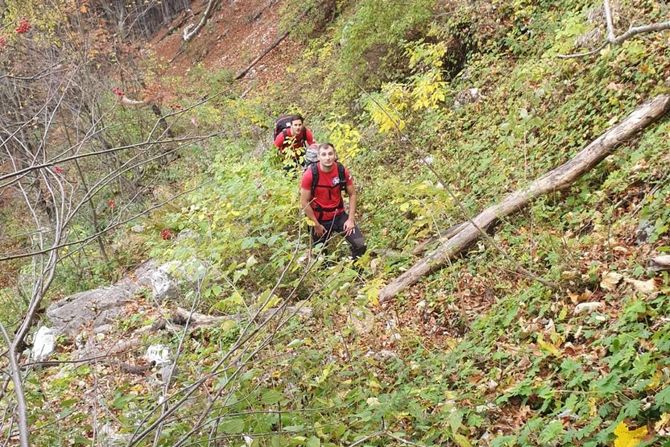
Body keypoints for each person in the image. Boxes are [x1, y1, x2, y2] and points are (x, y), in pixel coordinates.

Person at [300, 143, 366, 259]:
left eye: (330, 154)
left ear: (335, 155)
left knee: (360, 244)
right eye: (324, 155)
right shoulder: (310, 174)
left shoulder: (341, 170)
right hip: (319, 219)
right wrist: (316, 224)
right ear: (318, 157)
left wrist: (350, 220)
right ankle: (326, 273)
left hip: (339, 215)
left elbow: (352, 194)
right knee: (320, 256)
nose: (328, 157)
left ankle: (356, 273)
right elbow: (304, 202)